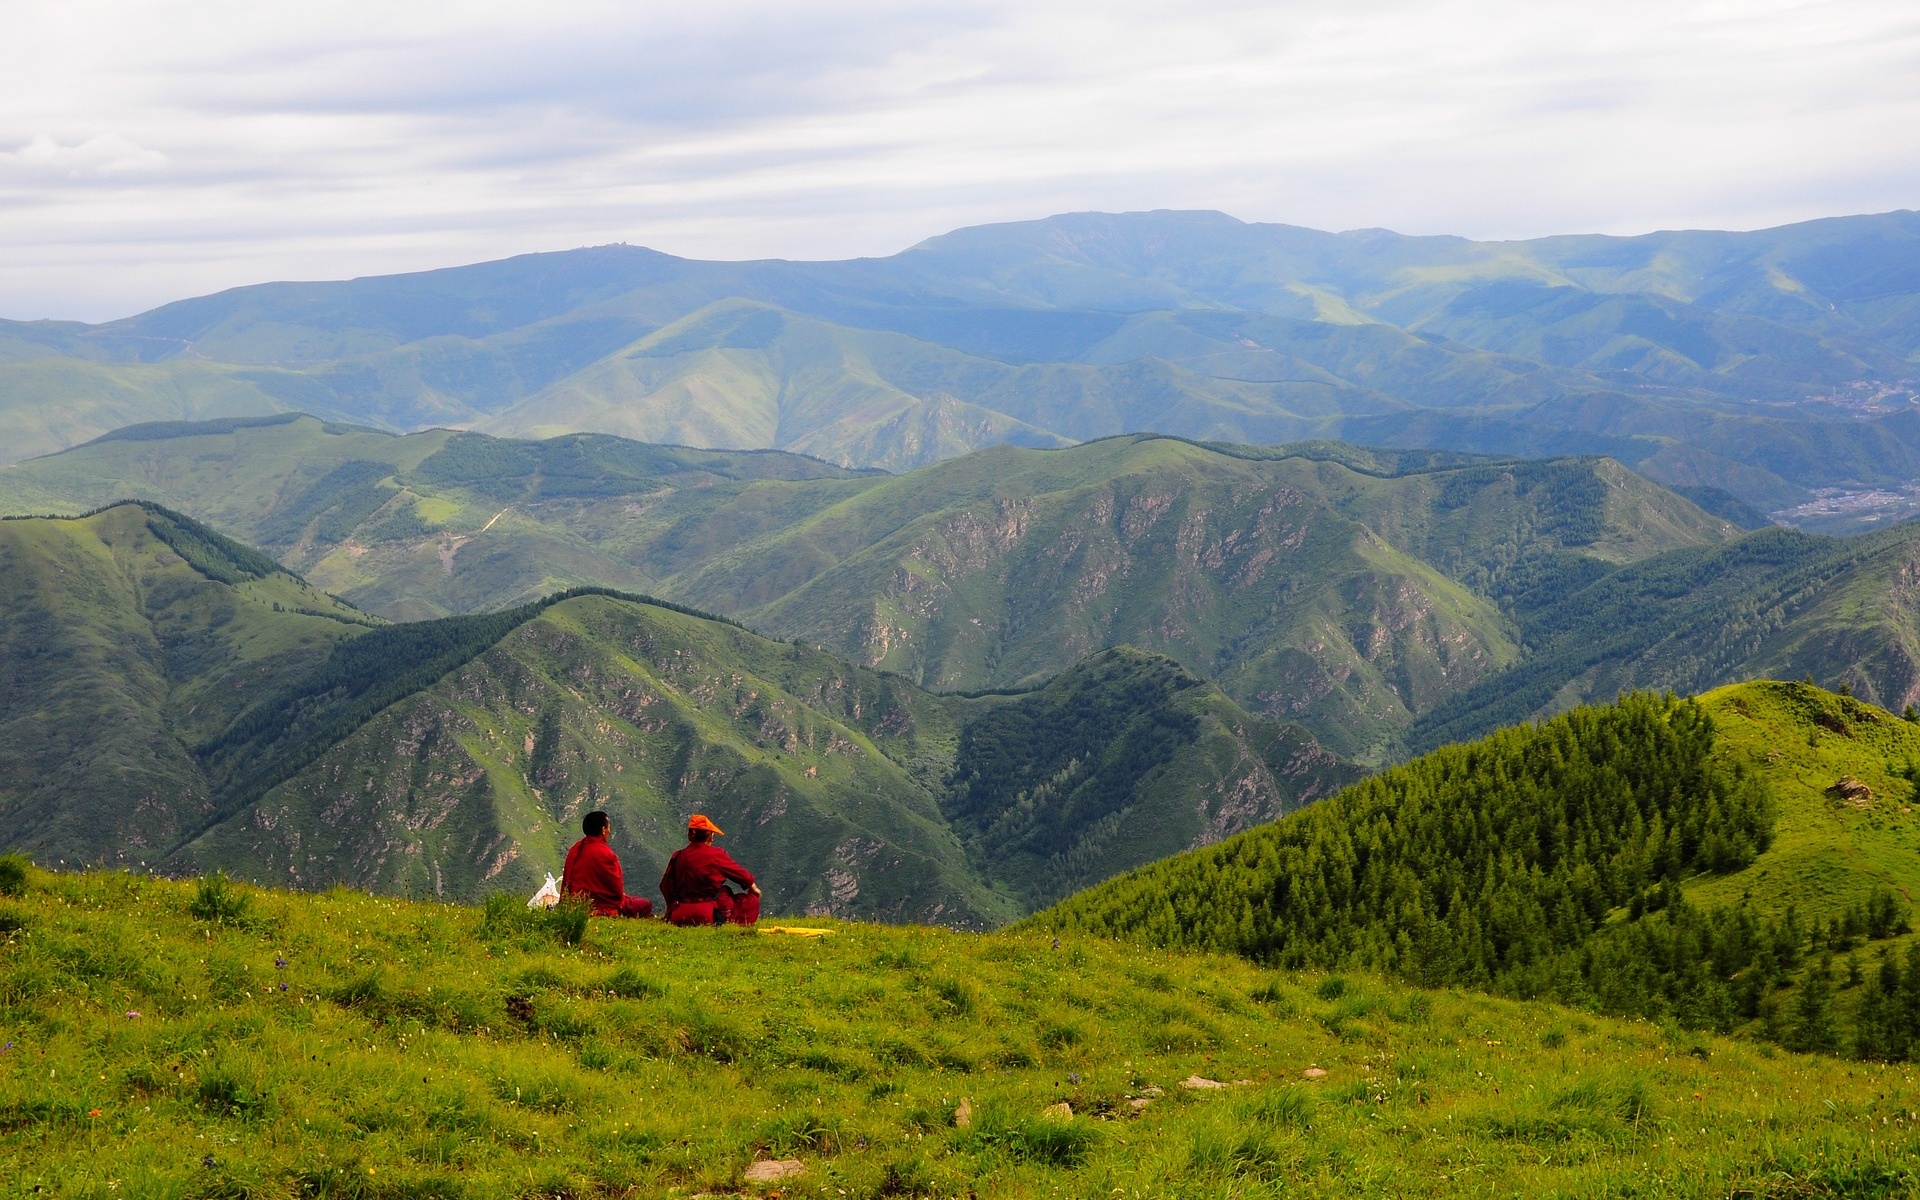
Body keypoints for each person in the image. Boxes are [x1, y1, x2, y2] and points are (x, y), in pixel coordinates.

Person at [659, 814, 761, 926]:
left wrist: (670, 910)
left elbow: (666, 885)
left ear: (690, 834)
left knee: (724, 890)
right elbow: (744, 877)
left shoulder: (678, 855)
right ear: (711, 836)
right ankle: (738, 924)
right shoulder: (716, 855)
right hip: (705, 915)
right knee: (751, 901)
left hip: (678, 915)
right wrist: (754, 889)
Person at [560, 811, 654, 918]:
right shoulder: (606, 854)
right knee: (646, 904)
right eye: (608, 827)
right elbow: (617, 894)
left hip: (574, 904)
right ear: (603, 830)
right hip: (600, 907)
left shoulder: (575, 849)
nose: (609, 830)